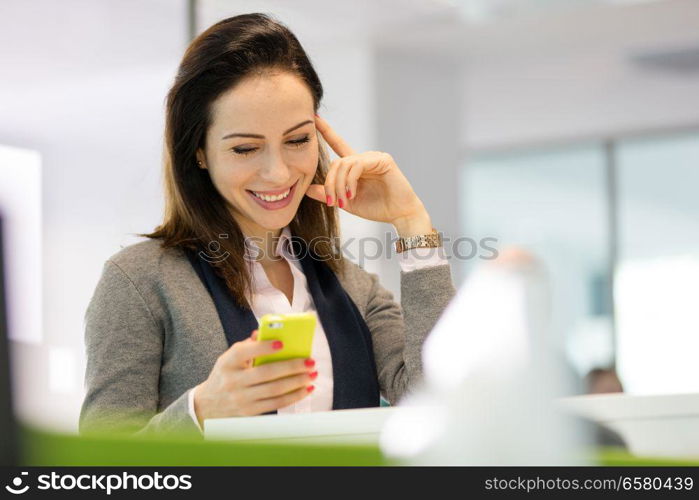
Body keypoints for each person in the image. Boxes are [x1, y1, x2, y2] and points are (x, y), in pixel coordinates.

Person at [79, 13, 456, 438]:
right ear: (199, 152)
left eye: (297, 140)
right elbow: (101, 467)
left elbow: (439, 403)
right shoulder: (140, 282)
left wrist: (411, 221)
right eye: (245, 148)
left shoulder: (355, 289)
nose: (278, 174)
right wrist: (200, 412)